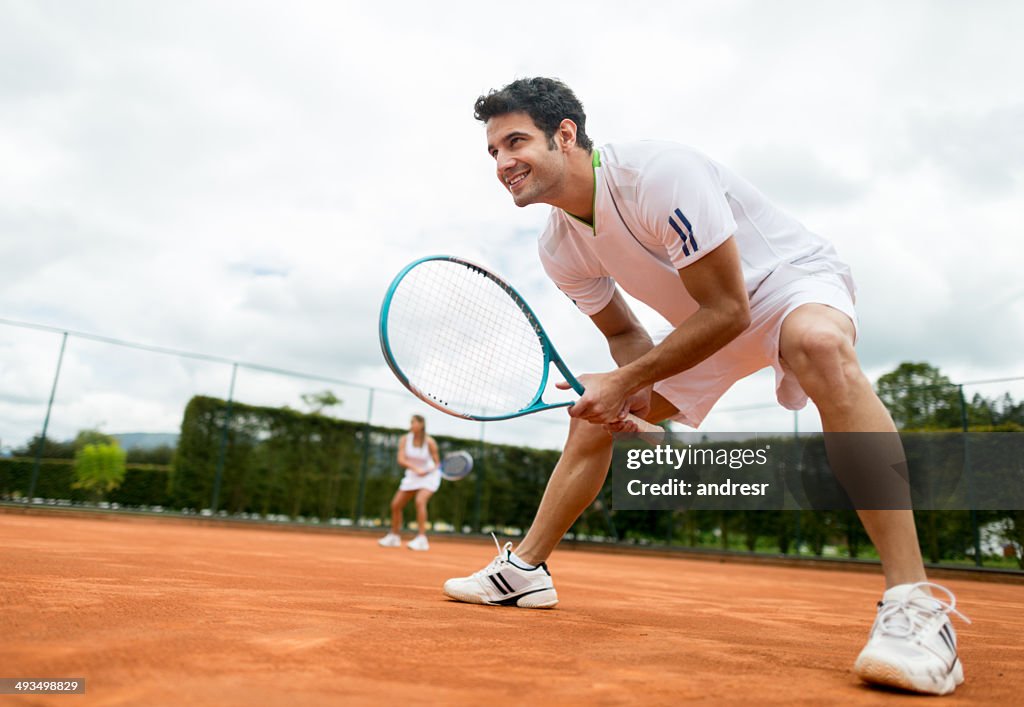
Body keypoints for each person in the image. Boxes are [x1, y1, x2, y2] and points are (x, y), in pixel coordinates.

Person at [442, 77, 968, 696]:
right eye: (494, 152)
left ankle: (917, 607)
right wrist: (631, 406)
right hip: (710, 321)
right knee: (589, 416)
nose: (503, 163)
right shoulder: (559, 246)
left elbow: (730, 309)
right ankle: (524, 570)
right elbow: (626, 338)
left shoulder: (660, 174)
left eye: (515, 142)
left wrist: (626, 383)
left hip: (785, 284)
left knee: (820, 347)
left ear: (564, 135)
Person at [379, 414, 440, 551]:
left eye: (414, 422)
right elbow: (401, 460)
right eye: (411, 422)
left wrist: (427, 470)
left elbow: (437, 463)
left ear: (421, 425)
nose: (411, 425)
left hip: (430, 476)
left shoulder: (430, 442)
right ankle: (394, 537)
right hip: (413, 475)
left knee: (420, 501)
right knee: (396, 505)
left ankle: (422, 539)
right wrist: (416, 469)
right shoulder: (405, 439)